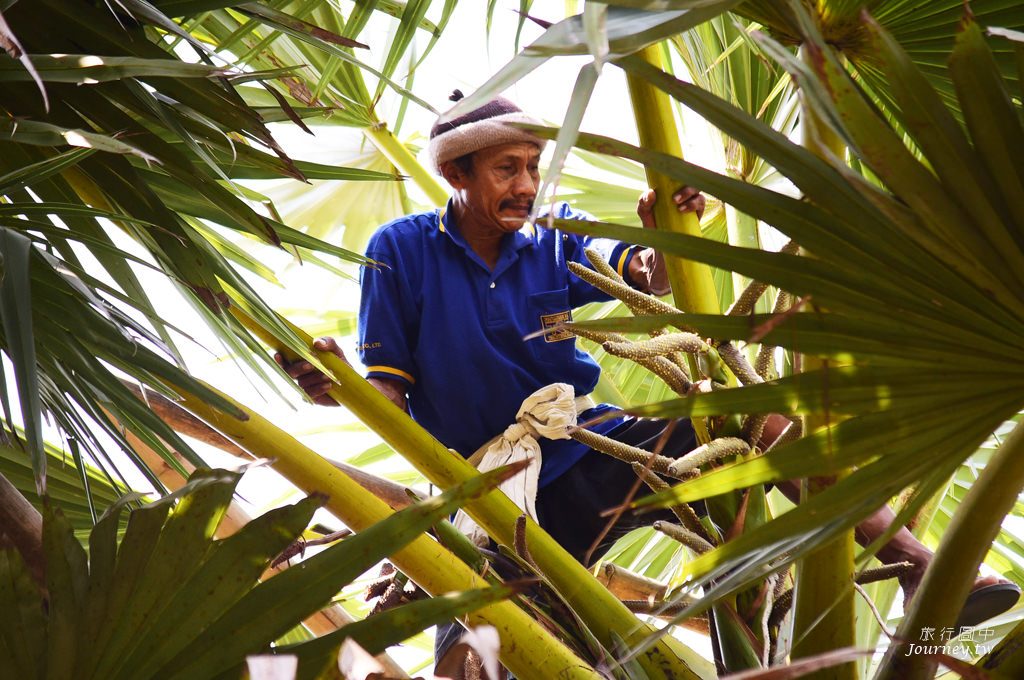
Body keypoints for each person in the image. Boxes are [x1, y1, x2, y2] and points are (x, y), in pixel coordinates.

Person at [279, 94, 1018, 677]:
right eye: (508, 168)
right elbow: (387, 393)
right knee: (469, 665)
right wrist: (331, 387)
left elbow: (640, 270)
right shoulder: (399, 250)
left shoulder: (555, 235)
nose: (528, 186)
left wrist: (664, 225)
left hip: (590, 450)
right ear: (457, 175)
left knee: (743, 421)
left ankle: (920, 566)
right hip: (486, 488)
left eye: (534, 166)